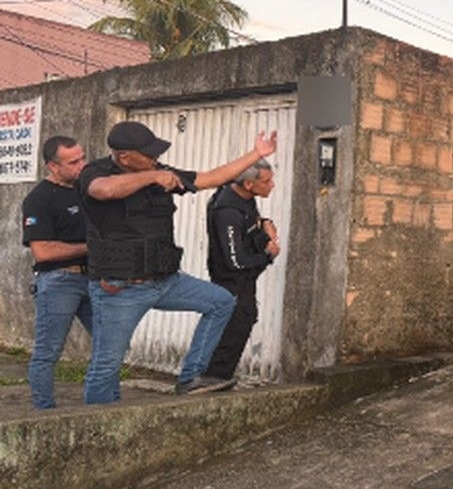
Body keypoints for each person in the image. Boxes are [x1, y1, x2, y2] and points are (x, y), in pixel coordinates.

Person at [78, 121, 277, 403]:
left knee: (222, 302)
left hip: (166, 281)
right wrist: (152, 177)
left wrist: (255, 154)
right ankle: (98, 421)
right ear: (124, 157)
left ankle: (191, 378)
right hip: (121, 288)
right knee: (107, 365)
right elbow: (104, 190)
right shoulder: (96, 172)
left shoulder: (162, 171)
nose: (155, 159)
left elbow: (210, 178)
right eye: (148, 154)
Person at [21, 135, 92, 409]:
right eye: (73, 162)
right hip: (59, 281)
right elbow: (43, 252)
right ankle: (44, 412)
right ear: (53, 166)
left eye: (82, 158)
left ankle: (100, 404)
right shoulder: (39, 199)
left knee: (111, 343)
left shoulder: (87, 188)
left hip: (94, 278)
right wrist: (90, 247)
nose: (81, 165)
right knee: (47, 352)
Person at [201, 159, 280, 384]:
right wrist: (268, 255)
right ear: (248, 184)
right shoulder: (228, 211)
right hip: (232, 281)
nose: (272, 185)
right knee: (235, 325)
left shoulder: (244, 199)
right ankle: (213, 379)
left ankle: (218, 378)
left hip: (245, 277)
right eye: (266, 181)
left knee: (244, 319)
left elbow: (249, 226)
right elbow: (235, 260)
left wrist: (265, 223)